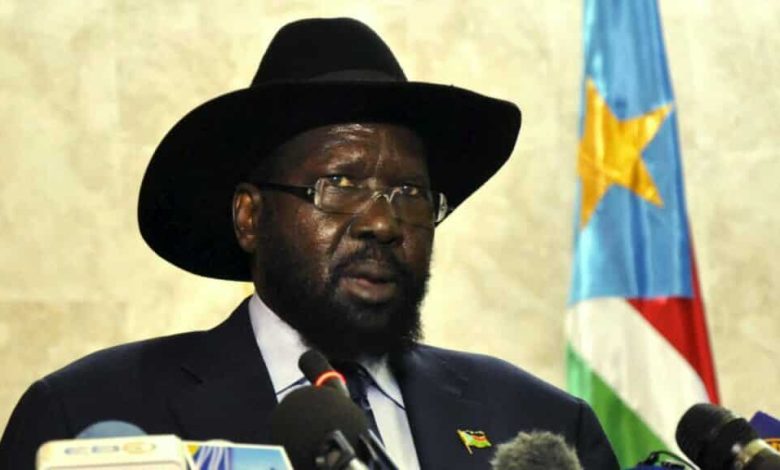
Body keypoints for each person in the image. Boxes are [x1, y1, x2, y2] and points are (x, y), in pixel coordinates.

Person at [0, 18, 618, 469]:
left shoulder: (540, 425)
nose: (384, 223)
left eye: (409, 193)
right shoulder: (85, 414)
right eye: (340, 185)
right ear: (250, 217)